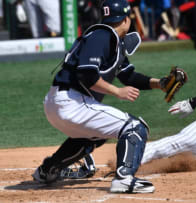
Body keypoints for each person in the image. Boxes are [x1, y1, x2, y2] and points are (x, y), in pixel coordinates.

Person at [31, 0, 173, 194]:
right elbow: (86, 74)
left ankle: (49, 170)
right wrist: (117, 92)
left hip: (61, 103)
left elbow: (129, 76)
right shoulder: (102, 36)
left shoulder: (111, 39)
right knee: (134, 127)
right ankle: (124, 178)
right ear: (125, 20)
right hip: (72, 102)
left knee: (94, 136)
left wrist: (160, 83)